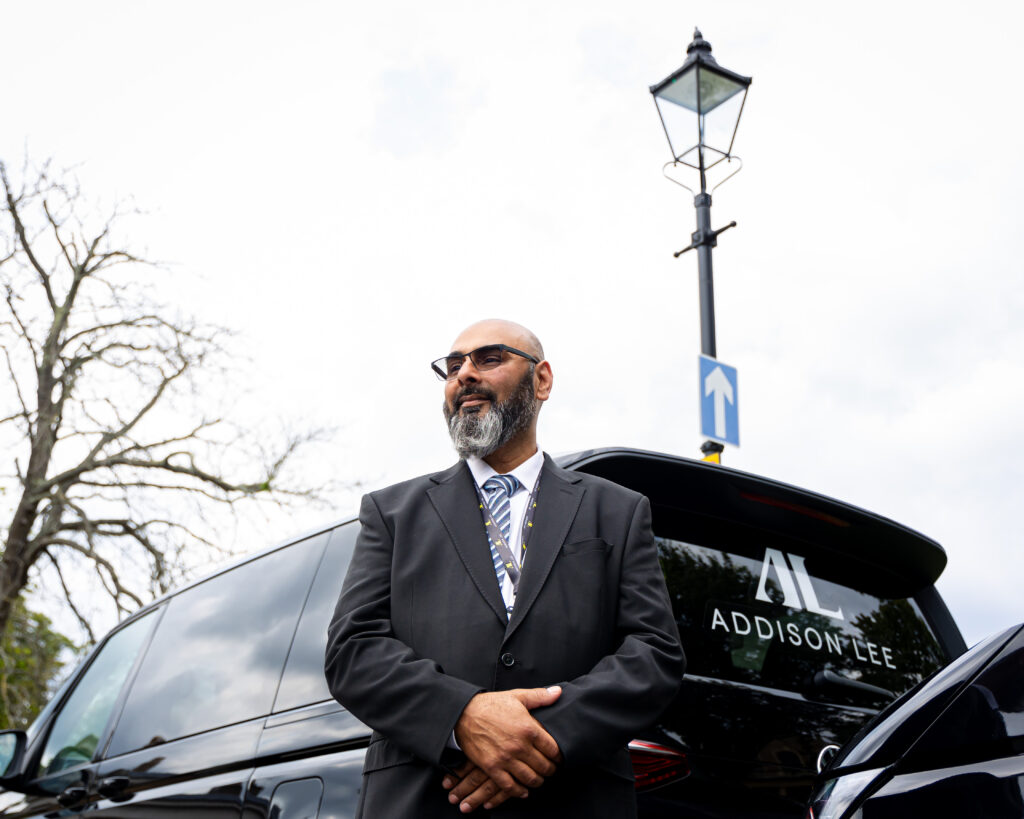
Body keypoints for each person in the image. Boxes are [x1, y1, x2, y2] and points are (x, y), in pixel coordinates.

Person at [325, 319, 684, 818]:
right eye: (453, 367)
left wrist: (539, 736)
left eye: (488, 359)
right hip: (425, 800)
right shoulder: (391, 513)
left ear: (542, 381)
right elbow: (353, 651)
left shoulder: (618, 511)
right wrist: (463, 716)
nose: (464, 375)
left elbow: (654, 654)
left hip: (576, 799)